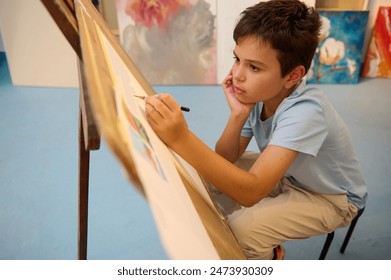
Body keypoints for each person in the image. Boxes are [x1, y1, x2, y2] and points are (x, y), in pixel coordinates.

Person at [144, 0, 367, 260]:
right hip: (290, 177)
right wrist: (238, 115)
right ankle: (258, 243)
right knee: (204, 177)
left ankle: (267, 255)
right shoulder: (262, 94)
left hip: (332, 198)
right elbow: (226, 157)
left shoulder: (306, 111)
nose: (237, 75)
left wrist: (181, 138)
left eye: (253, 67)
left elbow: (251, 192)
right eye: (237, 59)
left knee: (243, 230)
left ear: (293, 76)